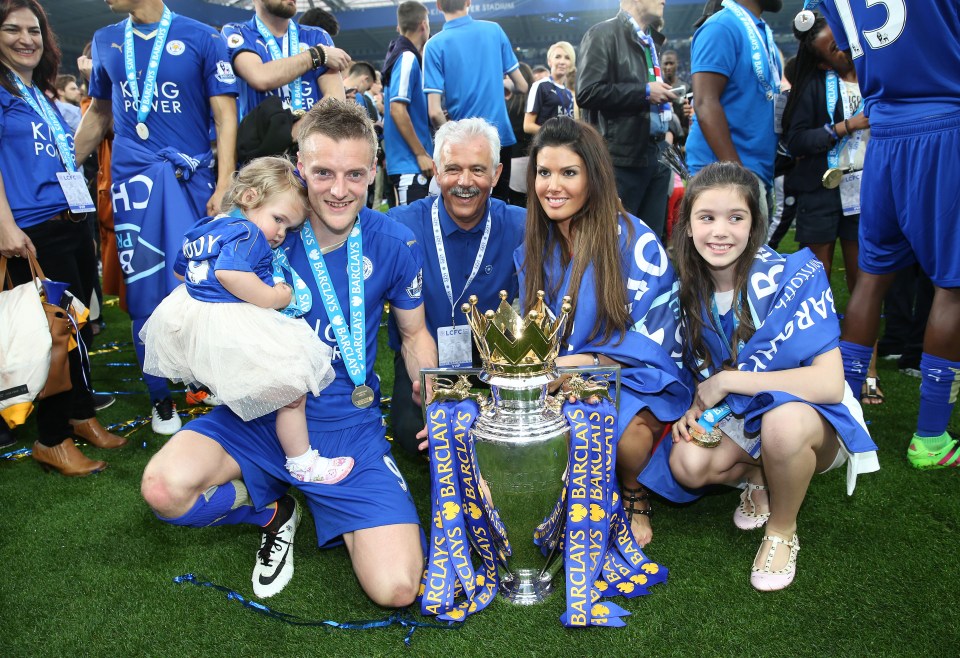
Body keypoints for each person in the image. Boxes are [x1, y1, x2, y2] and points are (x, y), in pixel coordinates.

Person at [141, 98, 436, 602]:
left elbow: (413, 336)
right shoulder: (259, 232)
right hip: (256, 414)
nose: (339, 191)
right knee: (164, 489)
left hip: (346, 425)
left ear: (374, 171)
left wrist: (438, 398)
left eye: (355, 175)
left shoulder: (394, 243)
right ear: (299, 166)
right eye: (323, 173)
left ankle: (332, 498)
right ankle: (273, 508)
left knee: (398, 588)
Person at [642, 161, 878, 590]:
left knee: (781, 425)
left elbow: (827, 384)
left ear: (755, 227)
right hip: (740, 415)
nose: (720, 231)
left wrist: (730, 381)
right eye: (706, 218)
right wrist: (692, 408)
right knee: (687, 463)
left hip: (810, 416)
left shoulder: (793, 277)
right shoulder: (686, 288)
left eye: (736, 218)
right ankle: (759, 476)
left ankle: (782, 531)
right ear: (688, 226)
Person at [516, 117, 691, 547]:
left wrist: (584, 364)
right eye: (544, 172)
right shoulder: (535, 247)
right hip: (560, 374)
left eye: (568, 173)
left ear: (593, 177)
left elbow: (658, 342)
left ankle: (633, 492)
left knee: (626, 435)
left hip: (633, 375)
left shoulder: (635, 241)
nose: (553, 186)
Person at [74, 0, 238, 435]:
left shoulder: (203, 36)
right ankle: (160, 397)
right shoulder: (106, 40)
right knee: (144, 284)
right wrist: (66, 166)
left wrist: (224, 185)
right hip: (135, 182)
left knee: (202, 280)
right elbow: (100, 111)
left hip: (191, 178)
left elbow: (224, 115)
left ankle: (207, 381)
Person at [139, 157, 352, 484]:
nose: (281, 234)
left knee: (266, 387)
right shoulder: (248, 232)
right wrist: (276, 297)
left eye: (288, 228)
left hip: (190, 316)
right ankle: (302, 462)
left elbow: (181, 270)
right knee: (293, 389)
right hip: (232, 322)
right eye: (279, 220)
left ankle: (259, 431)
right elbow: (229, 273)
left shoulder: (206, 225)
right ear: (250, 198)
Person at [812, 0, 960, 469]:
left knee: (872, 276)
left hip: (884, 134)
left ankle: (846, 417)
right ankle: (931, 439)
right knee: (952, 284)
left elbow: (847, 48)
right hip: (945, 123)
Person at [0, 0, 126, 476]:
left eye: (33, 29)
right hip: (30, 230)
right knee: (52, 336)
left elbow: (66, 155)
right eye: (11, 29)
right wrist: (5, 225)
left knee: (77, 331)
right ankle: (51, 439)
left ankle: (80, 414)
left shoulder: (37, 92)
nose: (25, 38)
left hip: (70, 221)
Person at [387, 117, 525, 455]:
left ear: (496, 174)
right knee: (412, 434)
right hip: (422, 355)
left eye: (478, 170)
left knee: (507, 433)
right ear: (435, 170)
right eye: (453, 169)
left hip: (493, 362)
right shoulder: (400, 226)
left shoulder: (522, 226)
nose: (465, 182)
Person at [780, 13, 882, 406]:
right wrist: (847, 125)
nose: (841, 52)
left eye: (841, 42)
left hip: (867, 192)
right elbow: (795, 140)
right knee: (816, 288)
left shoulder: (875, 73)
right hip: (821, 192)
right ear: (821, 61)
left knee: (865, 284)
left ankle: (867, 372)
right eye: (831, 50)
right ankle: (815, 371)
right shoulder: (811, 84)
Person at [577, 0, 677, 239]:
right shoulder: (602, 33)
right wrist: (644, 91)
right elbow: (587, 92)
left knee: (651, 242)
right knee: (617, 244)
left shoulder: (649, 41)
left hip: (656, 154)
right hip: (620, 159)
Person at [684, 0, 784, 221]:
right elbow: (704, 102)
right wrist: (738, 176)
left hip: (753, 171)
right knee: (727, 254)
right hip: (723, 175)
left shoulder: (761, 31)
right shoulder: (721, 27)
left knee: (749, 255)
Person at [423, 0, 529, 202]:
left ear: (437, 5)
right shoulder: (494, 31)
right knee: (497, 207)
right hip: (499, 138)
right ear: (468, 1)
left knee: (463, 207)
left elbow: (435, 111)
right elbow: (523, 86)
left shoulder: (434, 45)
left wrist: (453, 138)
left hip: (463, 143)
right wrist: (499, 85)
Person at [222, 0, 347, 122]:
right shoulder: (237, 32)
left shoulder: (317, 36)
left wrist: (299, 130)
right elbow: (259, 76)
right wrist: (315, 55)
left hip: (311, 139)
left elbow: (336, 98)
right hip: (261, 141)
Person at [382, 0, 433, 208]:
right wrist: (421, 154)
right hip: (410, 164)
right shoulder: (407, 58)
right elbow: (397, 109)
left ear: (398, 27)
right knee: (411, 236)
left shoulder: (400, 56)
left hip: (410, 164)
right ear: (424, 24)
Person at [523, 41, 575, 135]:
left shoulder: (568, 93)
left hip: (564, 145)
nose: (562, 62)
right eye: (557, 57)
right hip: (546, 145)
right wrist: (554, 134)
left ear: (571, 63)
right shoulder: (540, 86)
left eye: (567, 58)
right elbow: (528, 126)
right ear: (549, 61)